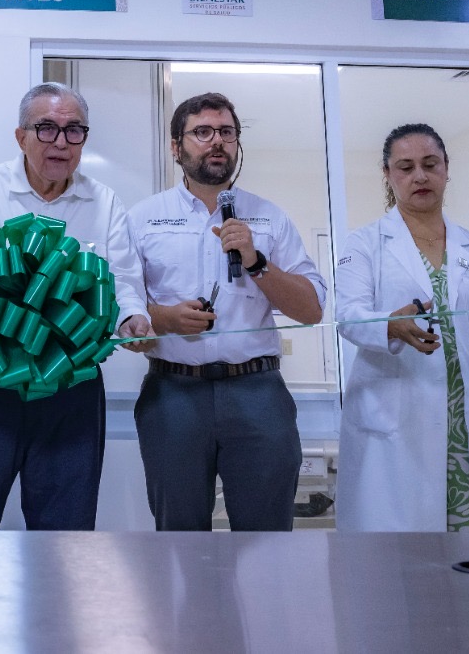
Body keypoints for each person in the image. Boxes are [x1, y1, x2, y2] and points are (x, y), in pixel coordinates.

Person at [0, 82, 151, 530]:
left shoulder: (104, 201)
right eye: (46, 129)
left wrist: (133, 318)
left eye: (74, 131)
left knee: (66, 535)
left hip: (70, 384)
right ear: (21, 137)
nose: (60, 143)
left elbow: (124, 280)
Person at [127, 92, 325, 530]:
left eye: (227, 132)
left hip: (258, 393)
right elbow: (121, 306)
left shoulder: (270, 218)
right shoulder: (143, 218)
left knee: (266, 538)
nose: (217, 141)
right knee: (179, 536)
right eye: (202, 132)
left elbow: (312, 308)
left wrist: (256, 262)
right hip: (173, 393)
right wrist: (165, 319)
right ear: (176, 147)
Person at [334, 123, 469, 532]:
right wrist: (389, 326)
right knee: (400, 559)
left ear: (446, 169)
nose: (419, 176)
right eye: (405, 167)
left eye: (430, 164)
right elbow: (348, 315)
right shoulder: (364, 243)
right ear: (388, 175)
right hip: (396, 427)